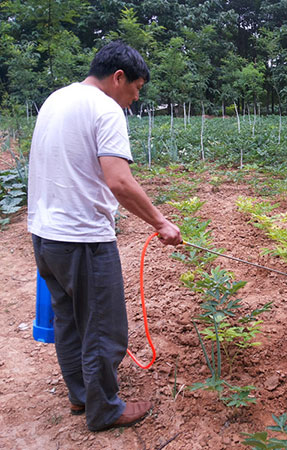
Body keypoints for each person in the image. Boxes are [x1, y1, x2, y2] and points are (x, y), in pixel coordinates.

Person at [27, 41, 182, 431]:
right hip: (82, 238)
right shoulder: (106, 109)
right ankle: (105, 410)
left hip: (45, 235)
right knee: (103, 328)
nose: (133, 99)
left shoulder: (56, 99)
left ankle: (82, 396)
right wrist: (161, 223)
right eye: (136, 88)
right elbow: (120, 181)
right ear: (118, 78)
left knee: (70, 320)